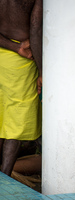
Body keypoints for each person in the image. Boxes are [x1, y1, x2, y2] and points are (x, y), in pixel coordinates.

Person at [0, 0, 43, 176]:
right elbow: (35, 29)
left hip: (4, 54)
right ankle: (4, 179)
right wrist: (42, 70)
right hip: (21, 63)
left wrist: (14, 47)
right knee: (15, 125)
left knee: (2, 120)